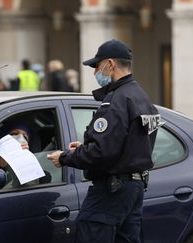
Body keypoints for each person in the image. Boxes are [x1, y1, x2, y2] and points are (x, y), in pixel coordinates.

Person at [47, 39, 160, 243]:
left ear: (110, 64)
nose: (95, 72)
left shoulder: (116, 101)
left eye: (97, 66)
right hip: (134, 188)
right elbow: (127, 145)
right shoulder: (141, 96)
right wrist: (83, 148)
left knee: (91, 231)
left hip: (112, 190)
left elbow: (101, 152)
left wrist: (64, 157)